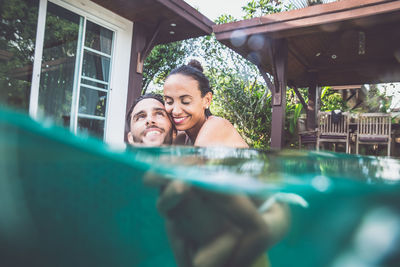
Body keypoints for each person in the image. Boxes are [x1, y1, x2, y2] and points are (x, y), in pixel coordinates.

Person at [127, 93, 290, 267]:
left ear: (175, 131)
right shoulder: (161, 182)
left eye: (159, 113)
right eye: (140, 116)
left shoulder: (200, 166)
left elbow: (258, 223)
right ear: (130, 139)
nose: (150, 120)